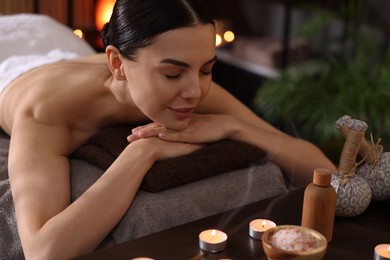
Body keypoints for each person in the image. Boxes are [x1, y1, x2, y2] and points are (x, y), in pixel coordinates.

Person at [0, 0, 336, 259]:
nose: (195, 92)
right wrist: (144, 151)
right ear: (118, 64)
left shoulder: (181, 78)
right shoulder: (44, 115)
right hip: (14, 59)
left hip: (69, 53)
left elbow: (325, 173)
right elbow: (44, 251)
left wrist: (234, 126)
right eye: (173, 75)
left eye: (206, 69)